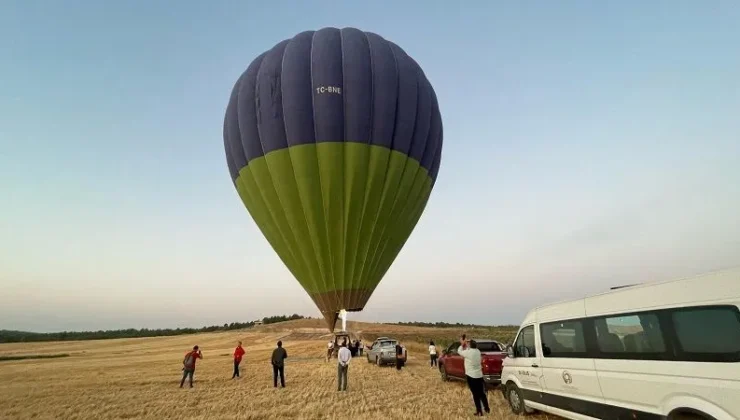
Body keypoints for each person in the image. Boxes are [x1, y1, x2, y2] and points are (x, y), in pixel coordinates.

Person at [458, 337, 490, 416]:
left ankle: (479, 411)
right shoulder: (477, 351)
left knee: (475, 395)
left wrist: (462, 344)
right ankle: (487, 408)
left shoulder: (468, 353)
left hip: (471, 376)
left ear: (470, 345)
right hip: (479, 375)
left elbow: (459, 351)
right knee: (482, 393)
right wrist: (468, 343)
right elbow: (469, 349)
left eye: (469, 343)